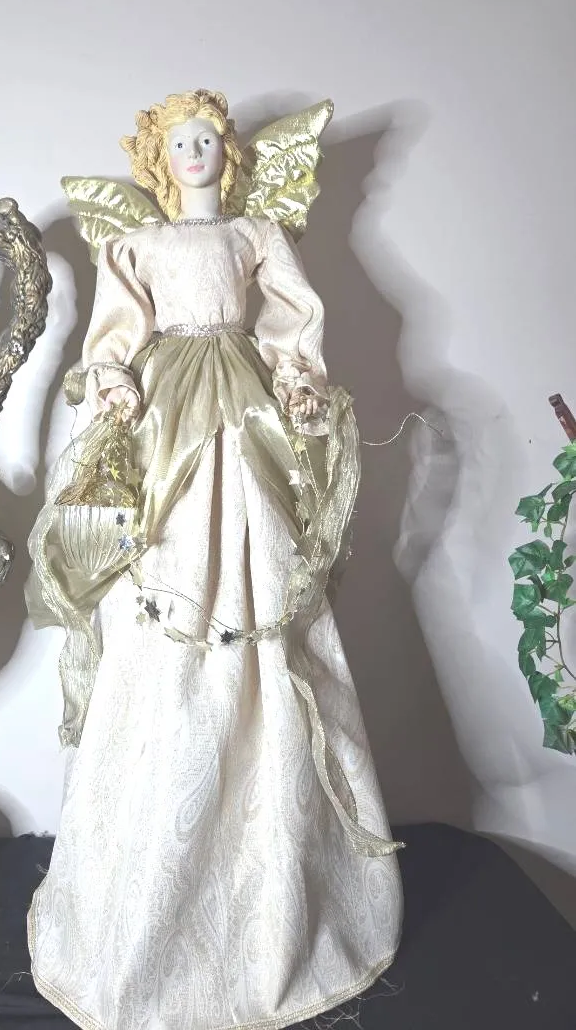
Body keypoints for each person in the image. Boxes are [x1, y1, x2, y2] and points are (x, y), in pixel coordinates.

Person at [26, 89, 402, 1030]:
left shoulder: (255, 234)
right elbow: (115, 333)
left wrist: (300, 380)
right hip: (165, 420)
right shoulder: (136, 244)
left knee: (264, 573)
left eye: (207, 139)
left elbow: (292, 321)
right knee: (159, 578)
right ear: (157, 159)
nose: (194, 152)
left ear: (228, 153)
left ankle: (283, 873)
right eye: (178, 142)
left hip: (245, 411)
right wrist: (114, 382)